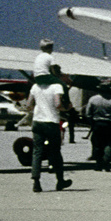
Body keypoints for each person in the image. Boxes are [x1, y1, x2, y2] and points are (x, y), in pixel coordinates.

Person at [29, 64, 73, 193]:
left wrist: (38, 110)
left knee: (37, 151)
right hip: (51, 122)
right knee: (55, 152)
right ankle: (60, 181)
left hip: (37, 121)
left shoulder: (35, 86)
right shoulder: (57, 86)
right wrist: (67, 108)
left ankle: (36, 182)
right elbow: (58, 104)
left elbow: (28, 104)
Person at [85, 86, 111, 170]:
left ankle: (99, 164)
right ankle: (107, 163)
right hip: (109, 124)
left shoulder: (93, 99)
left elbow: (88, 113)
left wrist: (91, 122)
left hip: (97, 124)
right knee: (108, 144)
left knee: (97, 144)